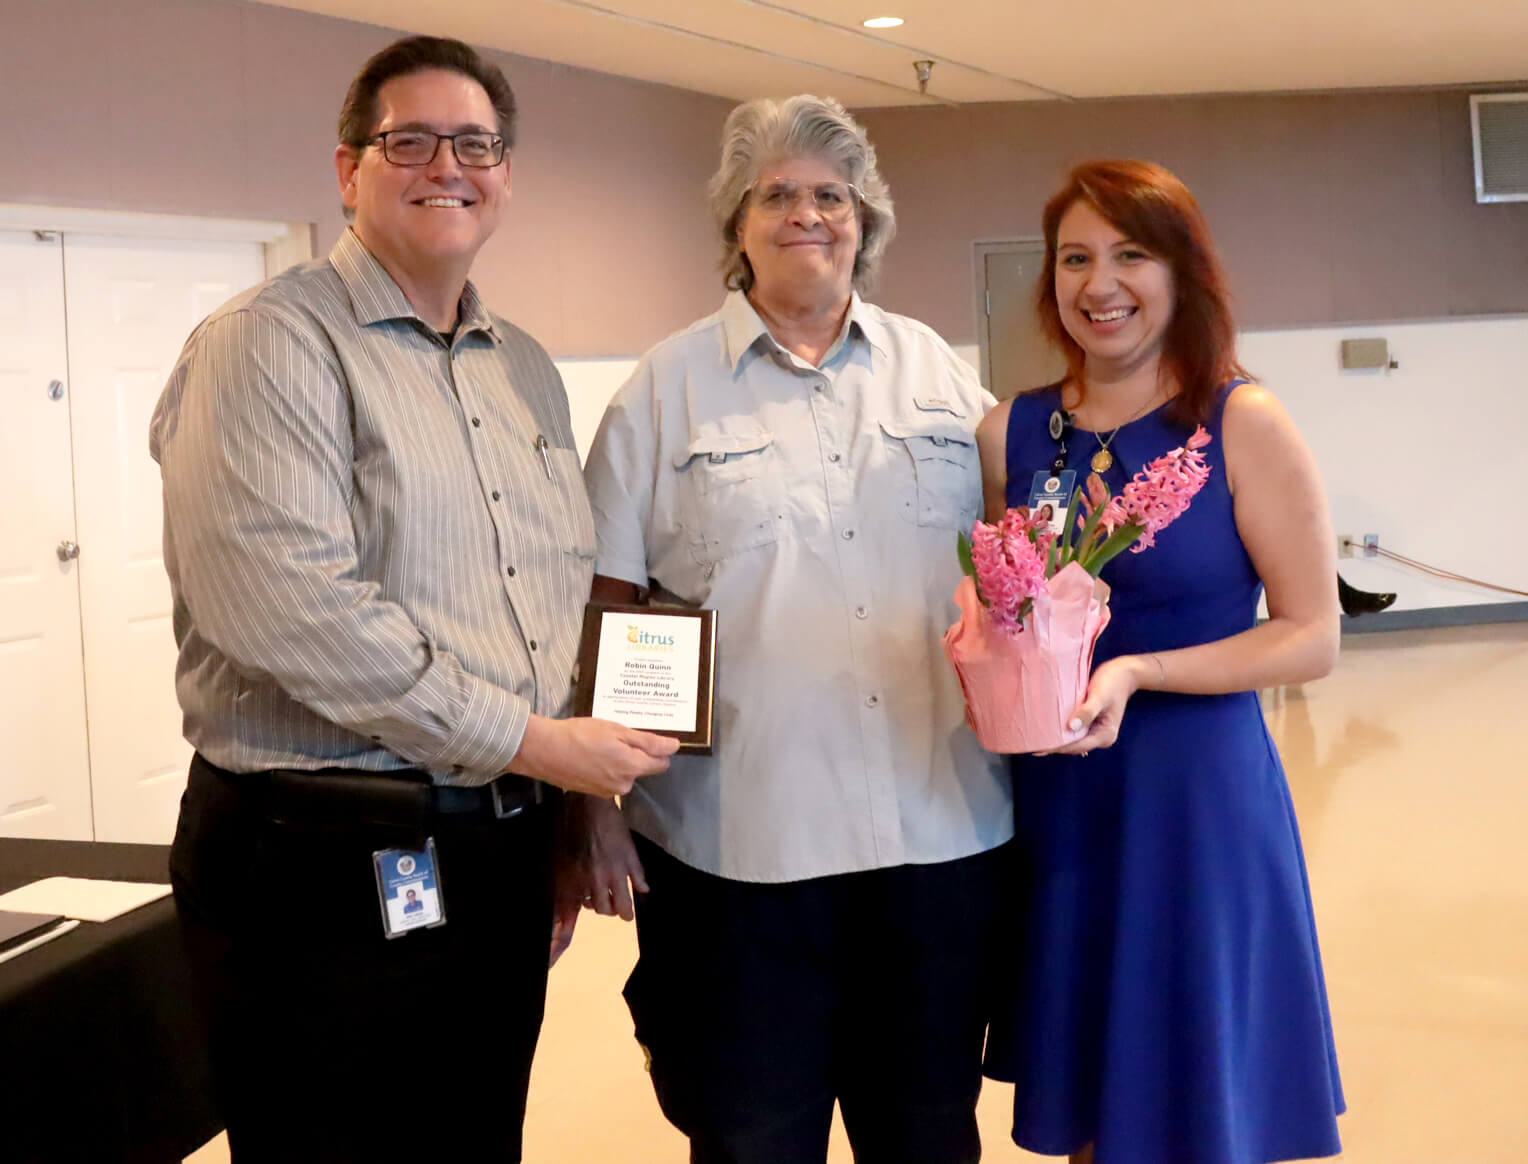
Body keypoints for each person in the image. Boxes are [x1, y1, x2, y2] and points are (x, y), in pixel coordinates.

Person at [150, 35, 676, 1162]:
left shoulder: (520, 364)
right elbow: (297, 610)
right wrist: (541, 745)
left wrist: (569, 803)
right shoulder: (268, 347)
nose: (449, 164)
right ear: (349, 170)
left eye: (477, 142)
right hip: (317, 854)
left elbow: (546, 603)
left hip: (492, 843)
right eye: (411, 141)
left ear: (507, 173)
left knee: (476, 1135)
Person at [577, 95, 1012, 1163]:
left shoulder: (939, 376)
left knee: (926, 1135)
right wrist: (591, 810)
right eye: (777, 195)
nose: (806, 215)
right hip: (737, 857)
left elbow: (1019, 569)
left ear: (865, 222)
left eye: (831, 196)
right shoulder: (661, 394)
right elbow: (608, 608)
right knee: (749, 1138)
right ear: (736, 224)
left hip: (938, 839)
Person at [976, 159, 1345, 1164]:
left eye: (1130, 254)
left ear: (1181, 272)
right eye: (1075, 258)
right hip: (1061, 808)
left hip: (1194, 803)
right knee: (1096, 1106)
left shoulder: (1239, 421)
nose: (1101, 284)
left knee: (1194, 1098)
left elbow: (1311, 634)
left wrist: (1141, 673)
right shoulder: (1010, 430)